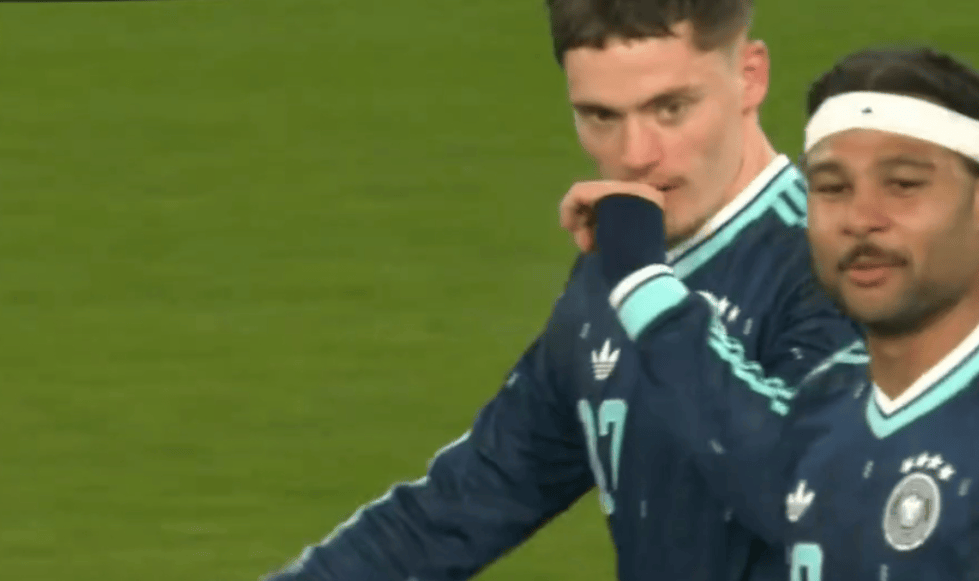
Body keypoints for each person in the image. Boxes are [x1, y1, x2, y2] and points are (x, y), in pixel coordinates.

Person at [261, 1, 858, 580]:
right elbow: (458, 509)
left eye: (671, 108)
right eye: (601, 117)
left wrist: (644, 289)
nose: (636, 155)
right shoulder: (617, 274)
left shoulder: (842, 273)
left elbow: (805, 499)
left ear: (750, 77)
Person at [561, 46, 979, 580]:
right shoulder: (830, 401)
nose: (861, 219)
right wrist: (638, 271)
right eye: (832, 188)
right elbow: (733, 434)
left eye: (903, 185)